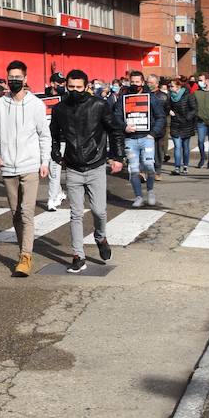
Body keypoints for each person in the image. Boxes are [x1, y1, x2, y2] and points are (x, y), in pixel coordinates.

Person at [50, 69, 125, 273]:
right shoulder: (59, 109)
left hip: (96, 165)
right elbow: (54, 134)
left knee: (99, 211)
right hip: (73, 167)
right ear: (66, 86)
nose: (75, 91)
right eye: (71, 87)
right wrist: (55, 153)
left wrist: (118, 157)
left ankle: (100, 237)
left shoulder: (99, 105)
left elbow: (115, 130)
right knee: (75, 213)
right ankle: (78, 255)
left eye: (79, 87)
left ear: (87, 87)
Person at [0, 61, 50, 277]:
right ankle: (23, 248)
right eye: (10, 77)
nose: (14, 81)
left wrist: (45, 162)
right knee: (15, 214)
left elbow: (44, 135)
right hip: (7, 167)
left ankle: (26, 256)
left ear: (25, 79)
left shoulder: (36, 105)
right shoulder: (1, 104)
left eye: (17, 77)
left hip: (30, 166)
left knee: (26, 213)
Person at [114, 70, 166, 208]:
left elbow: (161, 117)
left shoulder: (151, 98)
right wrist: (124, 127)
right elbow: (116, 116)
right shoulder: (123, 99)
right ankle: (138, 196)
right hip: (130, 139)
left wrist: (153, 133)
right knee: (134, 169)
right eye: (132, 82)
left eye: (138, 82)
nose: (135, 84)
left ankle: (150, 192)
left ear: (142, 82)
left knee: (149, 166)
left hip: (147, 138)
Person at [167, 78, 198, 174]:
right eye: (170, 86)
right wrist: (169, 110)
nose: (170, 88)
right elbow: (166, 106)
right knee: (177, 146)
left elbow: (194, 109)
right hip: (175, 124)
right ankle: (177, 168)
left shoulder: (189, 95)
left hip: (186, 124)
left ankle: (185, 166)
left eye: (172, 86)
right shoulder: (170, 96)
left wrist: (188, 118)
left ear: (178, 86)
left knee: (185, 146)